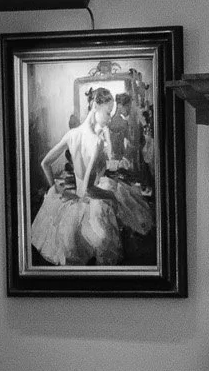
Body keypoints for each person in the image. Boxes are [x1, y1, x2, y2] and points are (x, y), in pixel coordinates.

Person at [29, 86, 153, 267]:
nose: (110, 119)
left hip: (75, 200)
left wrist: (54, 188)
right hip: (88, 204)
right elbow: (87, 189)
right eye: (108, 113)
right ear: (95, 106)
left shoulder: (72, 134)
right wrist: (113, 198)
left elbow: (45, 164)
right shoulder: (95, 140)